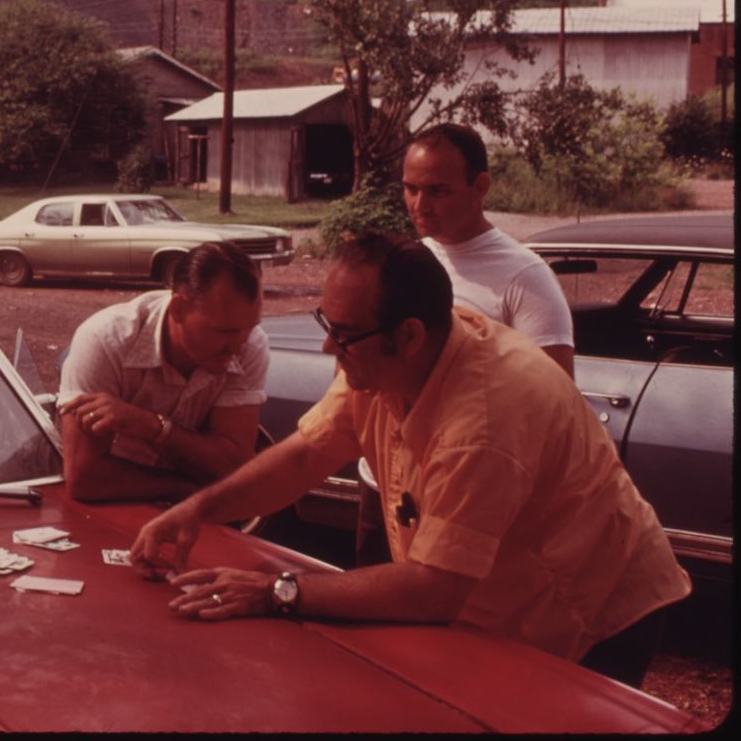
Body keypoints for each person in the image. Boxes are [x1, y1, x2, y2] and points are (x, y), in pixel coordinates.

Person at [129, 234, 690, 688]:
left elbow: (433, 590)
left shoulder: (485, 421)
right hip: (498, 598)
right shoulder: (378, 364)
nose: (329, 349)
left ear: (410, 335)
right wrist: (197, 511)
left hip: (596, 617)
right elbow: (304, 456)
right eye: (327, 325)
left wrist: (280, 590)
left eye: (343, 335)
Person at [58, 241, 268, 503]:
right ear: (179, 309)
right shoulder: (105, 339)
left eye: (250, 327)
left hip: (190, 508)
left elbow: (232, 468)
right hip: (111, 508)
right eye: (224, 332)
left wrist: (151, 426)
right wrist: (192, 488)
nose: (238, 347)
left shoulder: (251, 344)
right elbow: (85, 480)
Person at [402, 123, 575, 376]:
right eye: (411, 189)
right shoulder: (406, 263)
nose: (420, 205)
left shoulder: (526, 276)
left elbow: (555, 399)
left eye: (437, 191)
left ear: (480, 186)